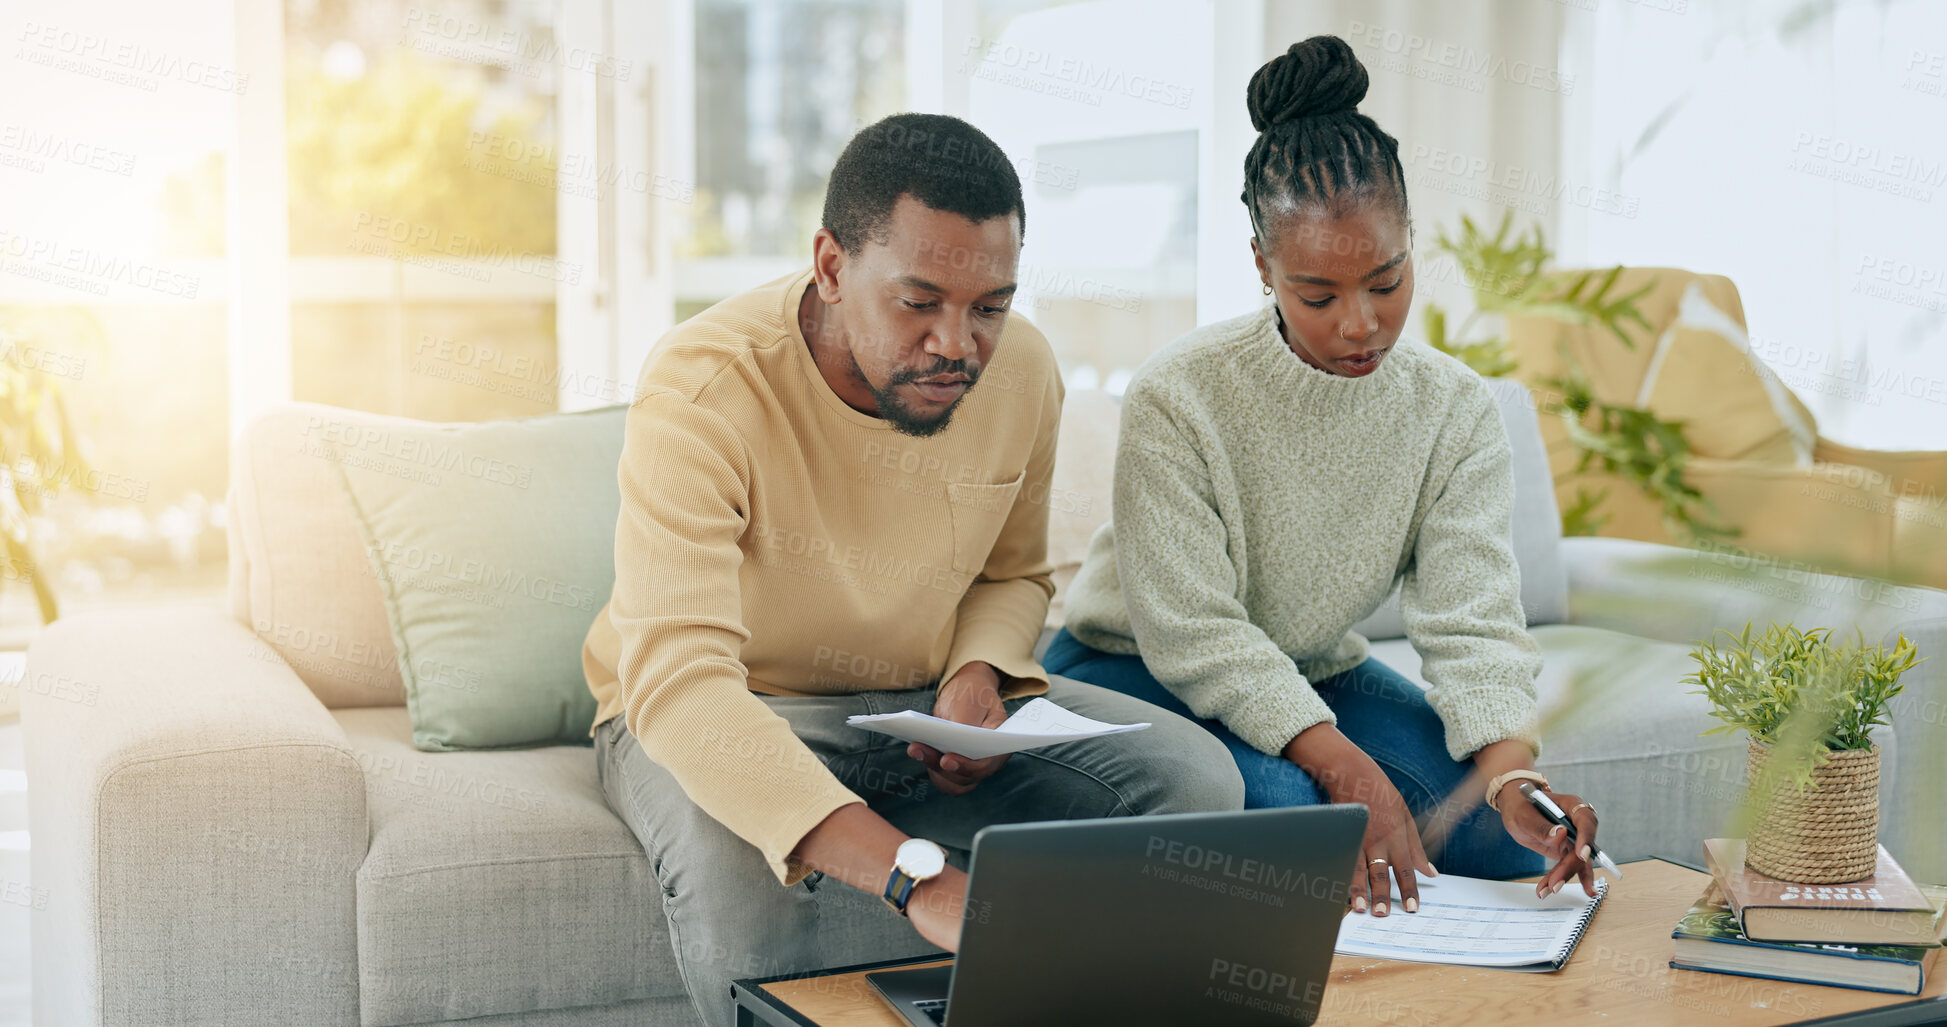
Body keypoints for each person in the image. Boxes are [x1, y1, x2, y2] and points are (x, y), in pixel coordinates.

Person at [582, 112, 1243, 1027]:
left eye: (989, 306)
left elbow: (1012, 575)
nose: (957, 346)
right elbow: (683, 687)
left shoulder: (1021, 372)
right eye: (918, 301)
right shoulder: (704, 388)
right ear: (829, 267)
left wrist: (976, 675)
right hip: (730, 702)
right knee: (746, 864)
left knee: (1192, 777)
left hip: (913, 700)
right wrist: (912, 877)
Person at [1044, 36, 1602, 920]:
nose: (1359, 325)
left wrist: (1512, 775)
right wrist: (1346, 767)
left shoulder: (1454, 409)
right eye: (1318, 295)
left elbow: (1473, 623)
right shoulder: (1178, 393)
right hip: (1135, 665)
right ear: (1262, 266)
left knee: (1496, 837)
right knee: (1304, 821)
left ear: (1411, 242)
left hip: (1316, 671)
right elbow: (1192, 632)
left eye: (1386, 281)